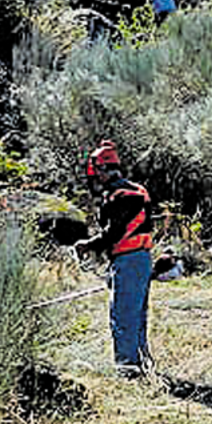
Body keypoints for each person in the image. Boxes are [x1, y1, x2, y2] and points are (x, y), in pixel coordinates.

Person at [75, 160, 156, 378]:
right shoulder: (138, 190)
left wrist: (88, 245)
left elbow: (114, 231)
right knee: (137, 316)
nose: (96, 179)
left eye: (97, 173)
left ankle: (128, 369)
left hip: (128, 260)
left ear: (103, 170)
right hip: (140, 258)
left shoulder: (120, 195)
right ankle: (142, 364)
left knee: (123, 316)